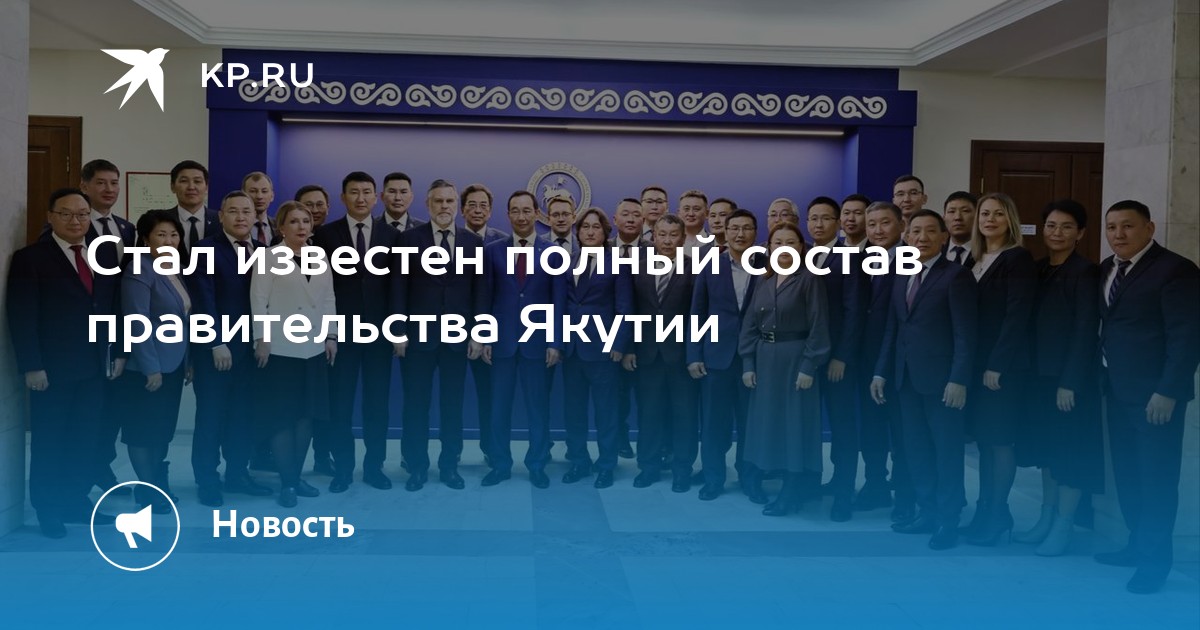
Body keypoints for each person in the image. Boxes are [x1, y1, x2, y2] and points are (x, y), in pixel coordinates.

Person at [1094, 200, 1200, 594]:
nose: (1118, 234)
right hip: (1117, 390)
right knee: (1128, 474)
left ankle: (1155, 565)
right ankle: (1136, 546)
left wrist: (1168, 391)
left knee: (1157, 480)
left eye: (1128, 226)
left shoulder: (1176, 270)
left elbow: (1186, 337)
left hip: (1155, 397)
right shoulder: (1107, 268)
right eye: (1111, 227)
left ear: (1149, 229)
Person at [7, 188, 122, 538]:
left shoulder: (102, 254)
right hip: (52, 369)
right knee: (50, 441)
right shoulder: (31, 258)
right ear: (51, 217)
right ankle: (48, 509)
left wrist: (118, 351)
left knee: (85, 439)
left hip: (94, 367)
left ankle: (76, 501)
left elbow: (112, 307)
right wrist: (32, 365)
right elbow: (22, 314)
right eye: (67, 214)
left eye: (83, 214)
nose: (76, 221)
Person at [872, 210, 977, 550]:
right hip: (905, 380)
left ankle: (948, 520)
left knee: (946, 453)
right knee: (916, 451)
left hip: (943, 383)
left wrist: (959, 378)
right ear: (906, 235)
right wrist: (881, 371)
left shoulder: (957, 276)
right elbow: (893, 329)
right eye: (916, 231)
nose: (922, 238)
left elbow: (965, 334)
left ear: (944, 237)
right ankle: (927, 512)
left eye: (931, 231)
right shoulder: (902, 273)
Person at [1012, 199, 1104, 556]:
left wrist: (1070, 381)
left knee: (1069, 454)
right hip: (1038, 377)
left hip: (1068, 382)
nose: (1057, 232)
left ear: (1080, 233)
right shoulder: (1038, 269)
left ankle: (1064, 526)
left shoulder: (1085, 272)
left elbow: (1085, 330)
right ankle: (1046, 518)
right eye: (1051, 225)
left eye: (1067, 227)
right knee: (1047, 452)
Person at [392, 179, 483, 491]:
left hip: (457, 339)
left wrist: (479, 334)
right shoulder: (408, 239)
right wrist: (398, 331)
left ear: (457, 206)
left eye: (449, 201)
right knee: (415, 405)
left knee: (452, 406)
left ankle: (449, 466)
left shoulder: (473, 242)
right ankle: (416, 466)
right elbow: (398, 288)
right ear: (427, 205)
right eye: (438, 201)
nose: (444, 206)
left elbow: (479, 292)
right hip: (417, 339)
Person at [313, 172, 400, 493]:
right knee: (340, 405)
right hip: (341, 335)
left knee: (377, 405)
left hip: (379, 335)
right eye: (354, 192)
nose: (360, 198)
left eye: (366, 192)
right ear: (343, 197)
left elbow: (397, 287)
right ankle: (343, 469)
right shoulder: (325, 234)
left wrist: (397, 329)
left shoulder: (392, 235)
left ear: (376, 197)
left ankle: (374, 467)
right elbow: (319, 289)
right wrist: (328, 332)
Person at [739, 221, 831, 516]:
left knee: (795, 424)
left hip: (796, 360)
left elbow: (819, 325)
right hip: (765, 360)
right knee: (768, 423)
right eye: (778, 242)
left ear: (801, 247)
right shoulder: (763, 280)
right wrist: (748, 363)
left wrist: (809, 365)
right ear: (769, 247)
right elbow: (749, 325)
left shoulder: (810, 279)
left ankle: (792, 491)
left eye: (790, 242)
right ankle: (764, 476)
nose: (784, 247)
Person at [960, 193, 1036, 546]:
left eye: (998, 214)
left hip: (1001, 369)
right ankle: (984, 511)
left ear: (1010, 220)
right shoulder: (973, 258)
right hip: (975, 365)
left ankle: (997, 513)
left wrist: (997, 365)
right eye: (985, 213)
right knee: (984, 442)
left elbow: (1016, 317)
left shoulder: (1017, 259)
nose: (990, 219)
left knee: (999, 440)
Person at [187, 191, 273, 507]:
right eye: (233, 211)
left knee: (242, 416)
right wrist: (215, 341)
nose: (240, 217)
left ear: (255, 216)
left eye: (246, 211)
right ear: (221, 215)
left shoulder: (264, 252)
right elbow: (203, 300)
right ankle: (207, 480)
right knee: (211, 417)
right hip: (216, 351)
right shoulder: (205, 249)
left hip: (251, 352)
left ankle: (238, 474)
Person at [476, 191, 567, 488]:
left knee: (538, 409)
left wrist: (555, 341)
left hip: (538, 345)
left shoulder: (553, 252)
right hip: (501, 343)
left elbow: (558, 302)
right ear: (508, 215)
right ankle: (500, 464)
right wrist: (484, 337)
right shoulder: (492, 251)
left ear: (537, 213)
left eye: (527, 210)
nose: (521, 216)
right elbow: (485, 298)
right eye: (515, 210)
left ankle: (537, 464)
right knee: (498, 409)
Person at [251, 201, 337, 507]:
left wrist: (331, 335)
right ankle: (288, 483)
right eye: (294, 221)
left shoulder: (320, 256)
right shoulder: (268, 257)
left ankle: (296, 476)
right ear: (281, 227)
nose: (301, 226)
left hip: (313, 348)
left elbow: (328, 299)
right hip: (280, 349)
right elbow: (258, 300)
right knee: (283, 417)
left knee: (306, 416)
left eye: (306, 221)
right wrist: (261, 338)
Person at [116, 209, 191, 514]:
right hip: (148, 368)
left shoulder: (175, 268)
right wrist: (151, 368)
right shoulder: (139, 269)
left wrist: (187, 361)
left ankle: (158, 482)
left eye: (174, 235)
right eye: (161, 234)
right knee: (142, 431)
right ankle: (147, 488)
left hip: (173, 364)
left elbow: (184, 320)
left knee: (162, 430)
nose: (169, 240)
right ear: (145, 239)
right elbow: (137, 320)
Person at [688, 209, 760, 501]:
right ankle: (713, 478)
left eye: (746, 228)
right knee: (713, 424)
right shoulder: (710, 265)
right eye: (734, 228)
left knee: (751, 425)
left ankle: (750, 479)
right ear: (725, 233)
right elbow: (697, 312)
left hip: (754, 359)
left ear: (755, 232)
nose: (740, 234)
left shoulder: (767, 265)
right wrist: (694, 355)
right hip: (716, 357)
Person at [561, 207, 633, 489]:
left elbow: (625, 308)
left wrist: (618, 343)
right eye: (585, 227)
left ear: (605, 233)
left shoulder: (618, 263)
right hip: (572, 349)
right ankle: (579, 461)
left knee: (606, 412)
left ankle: (606, 465)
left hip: (604, 349)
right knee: (574, 412)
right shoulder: (568, 260)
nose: (590, 232)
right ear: (577, 232)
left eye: (596, 227)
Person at [626, 215, 698, 492]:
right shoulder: (637, 267)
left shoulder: (696, 268)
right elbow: (630, 311)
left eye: (673, 235)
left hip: (682, 356)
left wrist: (694, 354)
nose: (667, 240)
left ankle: (682, 470)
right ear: (653, 237)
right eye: (662, 235)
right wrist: (629, 348)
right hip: (647, 355)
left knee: (685, 416)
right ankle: (649, 467)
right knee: (649, 414)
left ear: (683, 238)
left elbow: (699, 314)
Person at [807, 196, 867, 521]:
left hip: (835, 361)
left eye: (826, 218)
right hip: (805, 359)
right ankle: (810, 482)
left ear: (838, 223)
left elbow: (854, 311)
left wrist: (842, 356)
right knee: (806, 424)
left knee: (843, 426)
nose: (818, 224)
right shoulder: (800, 255)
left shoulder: (849, 258)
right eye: (813, 218)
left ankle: (844, 491)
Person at [857, 202, 914, 522]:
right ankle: (875, 484)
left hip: (900, 360)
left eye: (885, 223)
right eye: (872, 224)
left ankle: (906, 494)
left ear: (901, 225)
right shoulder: (860, 258)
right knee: (872, 427)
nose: (877, 230)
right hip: (865, 358)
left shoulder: (911, 259)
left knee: (903, 432)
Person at [460, 183, 509, 466]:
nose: (478, 210)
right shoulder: (450, 240)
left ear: (490, 211)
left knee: (490, 396)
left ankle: (491, 449)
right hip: (453, 330)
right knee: (451, 396)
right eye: (472, 205)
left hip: (489, 335)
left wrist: (485, 334)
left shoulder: (503, 242)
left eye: (483, 206)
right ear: (462, 209)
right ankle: (452, 451)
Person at [610, 198, 647, 459]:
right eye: (625, 214)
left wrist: (632, 344)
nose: (631, 219)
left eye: (636, 215)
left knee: (649, 400)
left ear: (643, 221)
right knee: (616, 397)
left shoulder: (655, 252)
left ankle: (651, 449)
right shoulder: (601, 249)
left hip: (648, 338)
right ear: (615, 220)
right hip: (610, 339)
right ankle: (619, 440)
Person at [164, 160, 218, 260]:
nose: (191, 187)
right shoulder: (161, 220)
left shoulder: (221, 220)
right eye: (184, 181)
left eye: (197, 181)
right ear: (172, 187)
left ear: (206, 187)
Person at [242, 171, 276, 245]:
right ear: (243, 195)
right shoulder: (235, 226)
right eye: (253, 191)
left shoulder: (279, 226)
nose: (259, 196)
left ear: (272, 196)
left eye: (264, 191)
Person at [943, 191, 976, 266]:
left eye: (965, 211)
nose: (957, 217)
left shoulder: (987, 252)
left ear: (977, 216)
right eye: (952, 211)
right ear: (944, 218)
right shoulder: (936, 252)